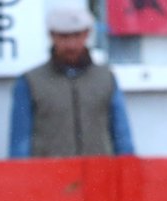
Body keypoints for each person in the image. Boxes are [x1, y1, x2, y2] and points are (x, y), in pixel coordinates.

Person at [8, 4, 133, 158]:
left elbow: (122, 136)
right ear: (52, 35)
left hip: (99, 174)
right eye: (64, 36)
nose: (71, 44)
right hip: (49, 177)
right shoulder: (30, 81)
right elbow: (20, 142)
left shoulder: (106, 78)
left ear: (87, 34)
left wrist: (129, 171)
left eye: (77, 35)